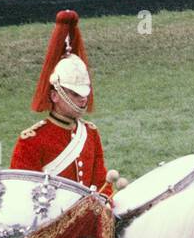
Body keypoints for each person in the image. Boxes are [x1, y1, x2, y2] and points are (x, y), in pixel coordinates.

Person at [11, 11, 119, 199]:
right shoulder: (31, 141)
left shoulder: (91, 133)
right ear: (55, 95)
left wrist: (105, 202)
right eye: (74, 94)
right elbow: (22, 196)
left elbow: (102, 184)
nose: (83, 99)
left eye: (84, 93)